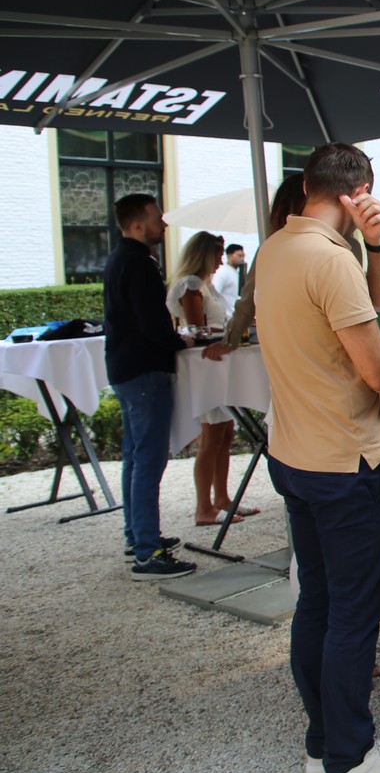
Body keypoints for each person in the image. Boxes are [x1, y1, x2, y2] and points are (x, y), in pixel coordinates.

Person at [255, 142, 380, 773]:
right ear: (358, 192)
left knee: (320, 603)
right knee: (355, 615)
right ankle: (351, 759)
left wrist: (377, 242)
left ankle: (323, 742)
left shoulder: (277, 247)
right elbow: (379, 370)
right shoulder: (328, 261)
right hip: (345, 458)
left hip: (296, 454)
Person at [103, 193, 196, 580]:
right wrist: (180, 343)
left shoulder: (117, 258)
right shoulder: (139, 263)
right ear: (138, 224)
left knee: (134, 457)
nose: (164, 224)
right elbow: (151, 323)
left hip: (124, 368)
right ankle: (147, 551)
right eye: (158, 219)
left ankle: (137, 535)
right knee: (148, 461)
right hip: (145, 370)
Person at [167, 230, 250, 525]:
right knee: (212, 437)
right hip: (206, 366)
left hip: (218, 365)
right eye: (216, 254)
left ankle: (222, 498)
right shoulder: (190, 285)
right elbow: (196, 329)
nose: (220, 261)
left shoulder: (204, 284)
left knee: (225, 434)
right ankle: (203, 507)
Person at [212, 243, 245, 316]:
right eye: (239, 256)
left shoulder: (237, 273)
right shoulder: (222, 272)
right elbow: (215, 295)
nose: (242, 259)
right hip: (227, 317)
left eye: (243, 256)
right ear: (229, 255)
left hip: (236, 316)